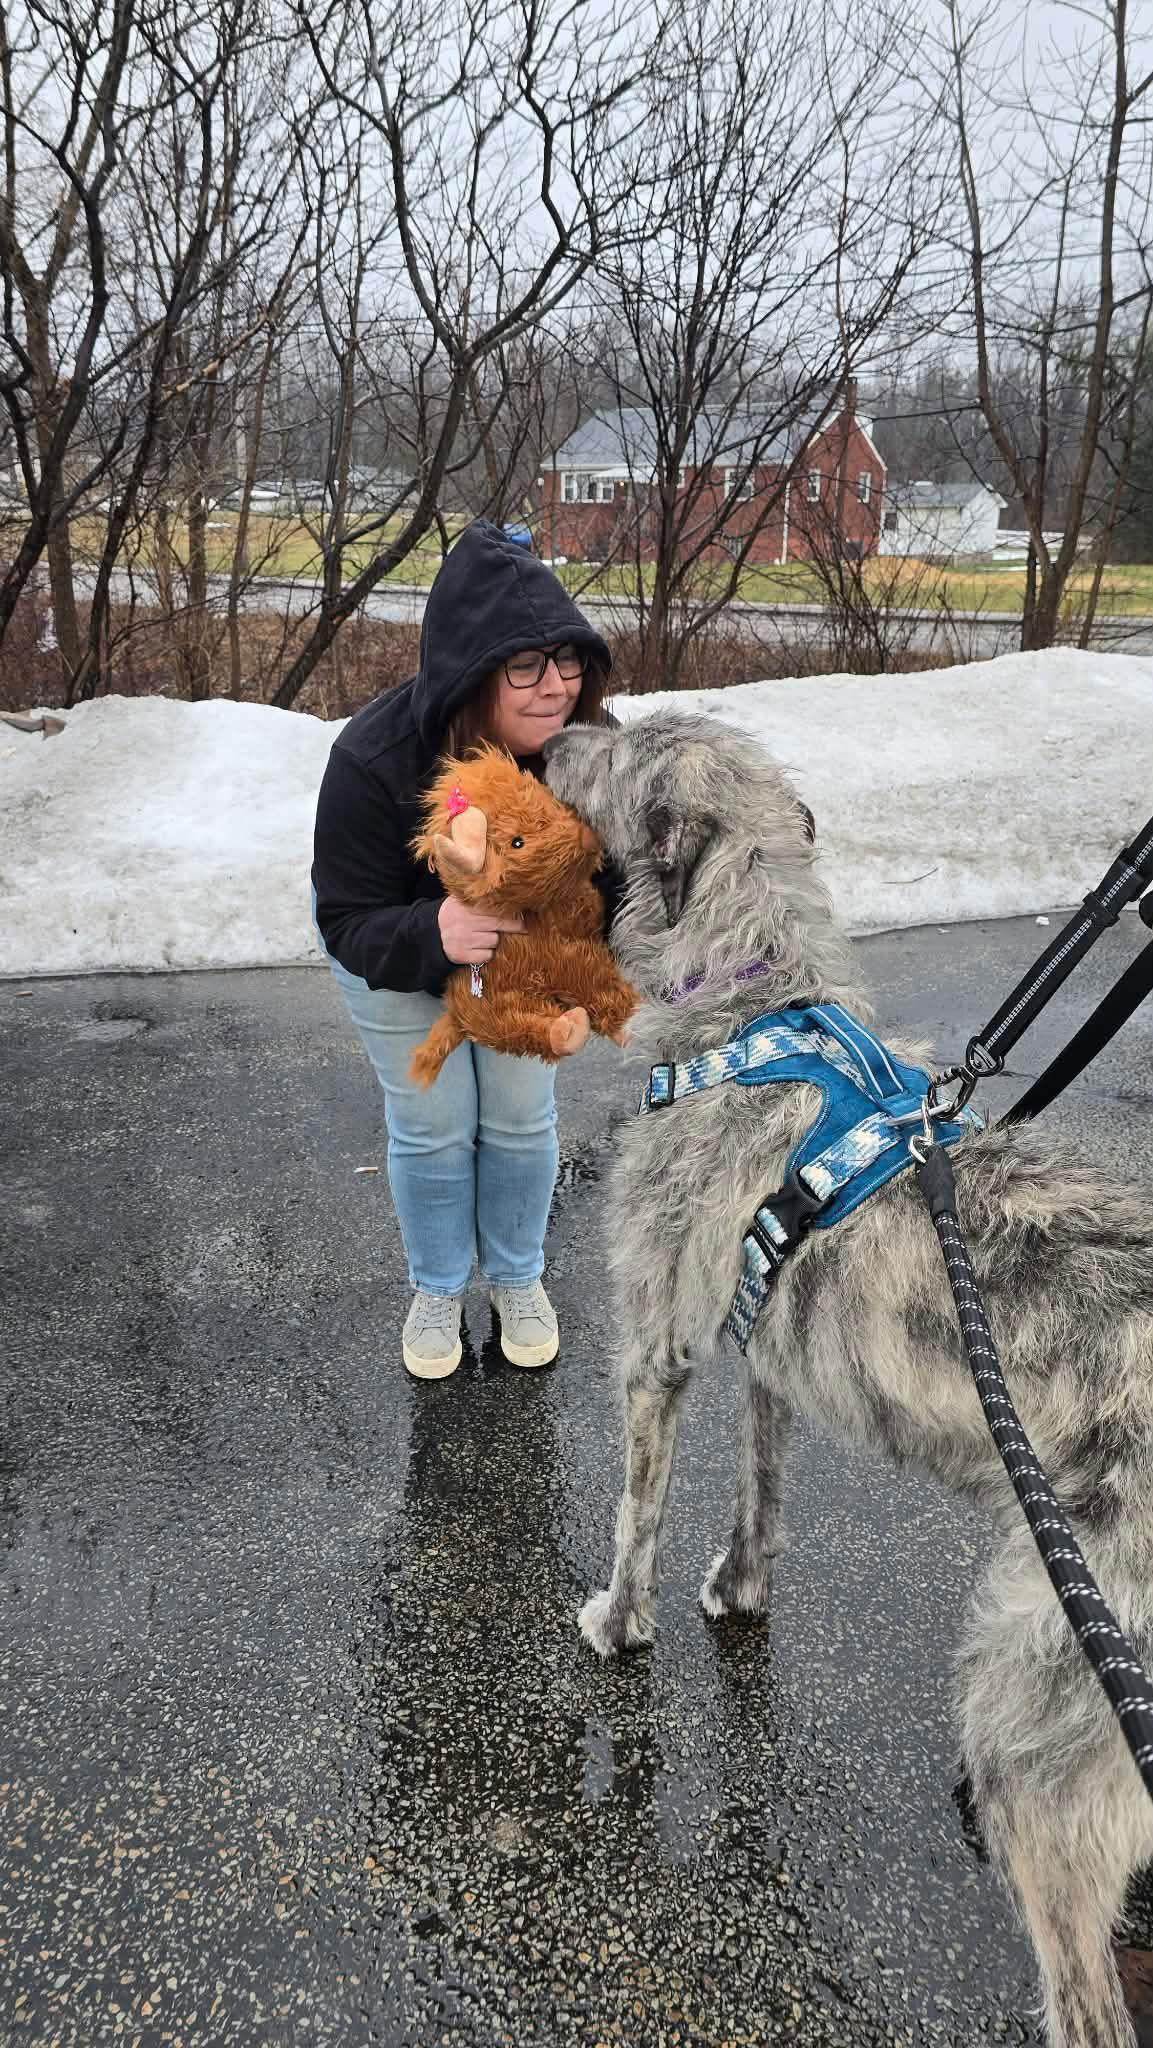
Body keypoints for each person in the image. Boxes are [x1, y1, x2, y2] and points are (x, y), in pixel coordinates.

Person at [312, 519, 615, 1381]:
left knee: (518, 1116)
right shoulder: (371, 759)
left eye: (568, 659)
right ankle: (439, 1286)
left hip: (524, 961)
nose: (554, 686)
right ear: (469, 671)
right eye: (524, 664)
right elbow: (346, 918)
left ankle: (516, 1278)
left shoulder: (589, 747)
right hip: (395, 945)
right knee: (435, 1123)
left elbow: (629, 870)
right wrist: (430, 933)